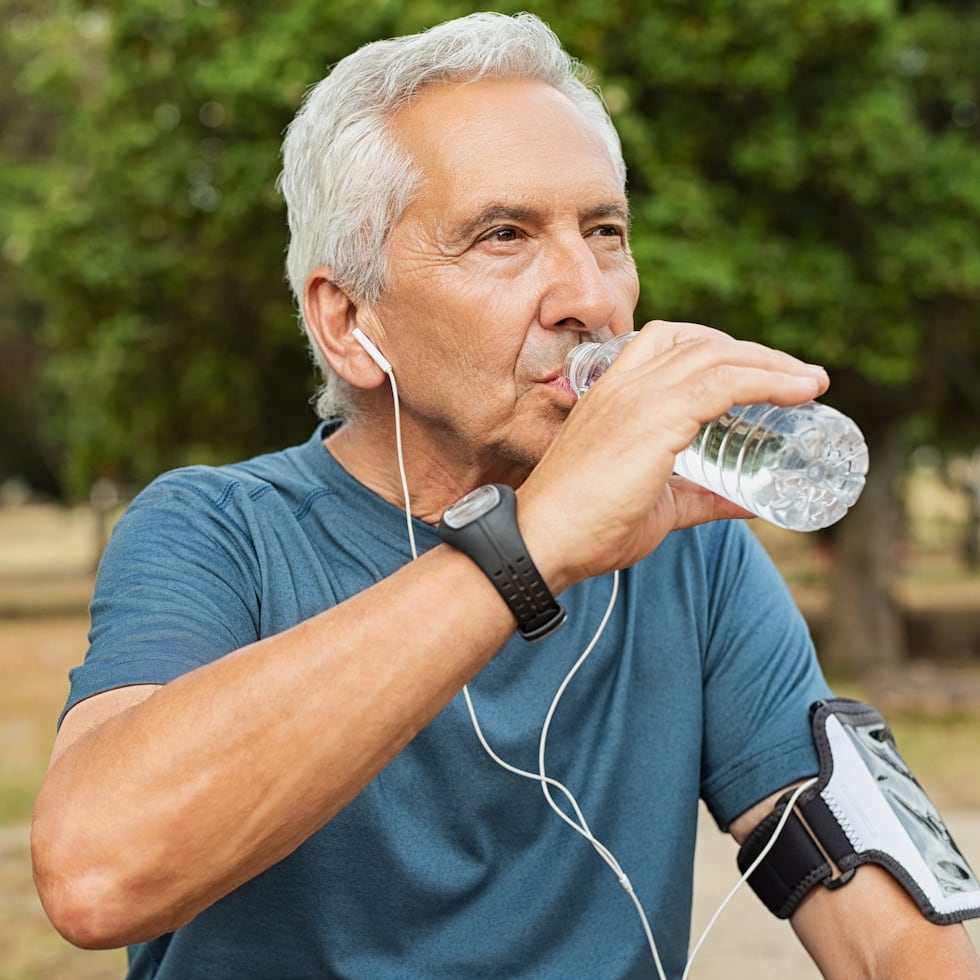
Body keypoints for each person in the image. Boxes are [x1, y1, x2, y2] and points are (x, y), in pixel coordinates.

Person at [31, 12, 980, 979]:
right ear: (352, 323)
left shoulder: (689, 552)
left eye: (604, 231)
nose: (590, 295)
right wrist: (528, 549)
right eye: (503, 236)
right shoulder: (219, 532)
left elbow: (892, 931)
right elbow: (97, 876)